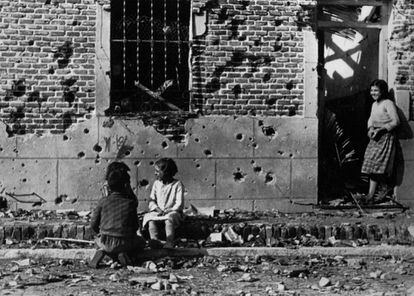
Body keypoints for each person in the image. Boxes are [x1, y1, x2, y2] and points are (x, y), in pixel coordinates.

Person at [90, 164, 145, 268]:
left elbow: (93, 224)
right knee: (141, 242)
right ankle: (123, 254)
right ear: (126, 185)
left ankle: (102, 251)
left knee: (97, 241)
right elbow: (135, 227)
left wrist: (99, 234)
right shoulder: (130, 202)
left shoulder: (103, 201)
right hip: (125, 242)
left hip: (105, 241)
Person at [361, 79, 401, 204]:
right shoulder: (374, 105)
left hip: (385, 137)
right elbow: (371, 119)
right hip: (375, 137)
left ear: (382, 91)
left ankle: (380, 193)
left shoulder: (388, 103)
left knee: (379, 166)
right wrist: (370, 129)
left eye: (376, 90)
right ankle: (370, 195)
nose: (373, 93)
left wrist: (382, 129)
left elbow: (396, 121)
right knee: (371, 164)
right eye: (372, 90)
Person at [142, 158, 184, 249]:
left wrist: (169, 210)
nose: (155, 173)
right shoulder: (156, 184)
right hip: (159, 211)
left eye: (157, 171)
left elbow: (179, 203)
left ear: (166, 172)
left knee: (169, 218)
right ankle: (155, 241)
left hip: (173, 212)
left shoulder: (177, 184)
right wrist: (158, 209)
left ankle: (169, 242)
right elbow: (152, 200)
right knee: (149, 218)